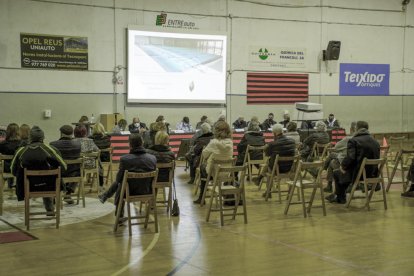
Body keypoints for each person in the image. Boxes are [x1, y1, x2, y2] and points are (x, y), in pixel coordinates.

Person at [11, 126, 67, 212]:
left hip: (28, 187)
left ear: (29, 138)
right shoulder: (51, 149)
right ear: (43, 137)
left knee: (38, 178)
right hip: (50, 186)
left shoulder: (21, 150)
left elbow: (13, 170)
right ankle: (50, 209)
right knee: (48, 177)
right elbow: (63, 167)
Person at [98, 134, 156, 217]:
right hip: (148, 191)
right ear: (142, 143)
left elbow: (118, 179)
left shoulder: (125, 159)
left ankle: (118, 213)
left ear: (130, 145)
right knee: (121, 184)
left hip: (129, 192)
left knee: (120, 184)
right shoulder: (152, 158)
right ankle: (106, 197)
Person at [326, 121, 380, 204]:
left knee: (337, 173)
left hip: (358, 174)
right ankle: (339, 194)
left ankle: (341, 198)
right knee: (342, 174)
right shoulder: (375, 142)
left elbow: (350, 157)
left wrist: (343, 166)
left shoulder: (354, 141)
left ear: (357, 128)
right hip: (372, 174)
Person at [193, 121, 233, 204]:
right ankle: (227, 195)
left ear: (216, 131)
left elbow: (204, 154)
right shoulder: (230, 142)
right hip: (226, 173)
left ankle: (201, 197)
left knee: (202, 167)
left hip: (213, 173)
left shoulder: (213, 142)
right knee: (207, 167)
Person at [254, 124, 296, 188]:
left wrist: (266, 148)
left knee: (268, 163)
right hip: (289, 168)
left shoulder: (273, 144)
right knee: (270, 162)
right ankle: (259, 178)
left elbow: (267, 154)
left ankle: (267, 190)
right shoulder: (292, 142)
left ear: (274, 133)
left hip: (276, 169)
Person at [50, 125, 82, 203]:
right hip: (73, 173)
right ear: (72, 134)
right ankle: (68, 193)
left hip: (58, 172)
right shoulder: (78, 145)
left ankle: (54, 195)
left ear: (61, 133)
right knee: (80, 170)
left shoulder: (53, 144)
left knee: (51, 167)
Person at [323, 122, 356, 193]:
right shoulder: (366, 140)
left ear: (351, 129)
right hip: (359, 167)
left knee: (332, 160)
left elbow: (336, 147)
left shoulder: (348, 139)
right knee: (332, 159)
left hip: (347, 164)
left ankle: (323, 170)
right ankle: (328, 184)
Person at [74, 125, 104, 190]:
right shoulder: (90, 141)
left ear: (75, 132)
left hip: (77, 166)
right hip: (91, 164)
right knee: (99, 163)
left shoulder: (73, 142)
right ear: (85, 132)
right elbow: (98, 151)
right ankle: (101, 185)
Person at [0, 123, 21, 188]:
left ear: (7, 132)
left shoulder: (3, 144)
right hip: (19, 168)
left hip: (6, 169)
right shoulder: (22, 144)